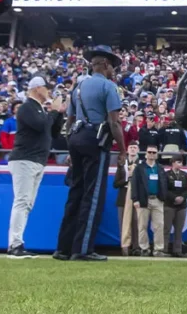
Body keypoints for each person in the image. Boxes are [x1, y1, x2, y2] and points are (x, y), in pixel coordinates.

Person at [55, 45, 126, 262]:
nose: (114, 69)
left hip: (76, 138)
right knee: (93, 195)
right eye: (113, 65)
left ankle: (63, 248)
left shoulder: (78, 87)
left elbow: (68, 121)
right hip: (95, 140)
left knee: (76, 191)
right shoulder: (108, 87)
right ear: (105, 64)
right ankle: (83, 249)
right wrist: (122, 150)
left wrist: (70, 148)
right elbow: (114, 123)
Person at [6, 76, 64, 258]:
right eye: (45, 87)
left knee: (27, 203)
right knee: (22, 201)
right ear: (37, 88)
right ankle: (15, 244)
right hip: (25, 159)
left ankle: (18, 242)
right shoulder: (26, 107)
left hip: (37, 160)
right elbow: (40, 127)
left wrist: (59, 113)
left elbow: (53, 132)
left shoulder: (40, 109)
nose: (48, 91)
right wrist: (53, 112)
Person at [132, 145, 168, 257]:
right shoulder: (139, 168)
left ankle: (158, 249)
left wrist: (163, 197)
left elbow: (164, 183)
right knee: (142, 225)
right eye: (150, 152)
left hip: (157, 199)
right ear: (146, 153)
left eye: (154, 152)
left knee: (159, 225)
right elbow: (134, 184)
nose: (152, 154)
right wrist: (135, 199)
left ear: (157, 154)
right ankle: (144, 248)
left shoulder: (160, 168)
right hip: (144, 199)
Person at [113, 142, 141, 256]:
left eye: (135, 147)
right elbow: (115, 184)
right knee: (123, 223)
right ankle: (125, 247)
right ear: (127, 150)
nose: (133, 149)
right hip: (123, 197)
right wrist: (126, 179)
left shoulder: (141, 165)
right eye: (131, 147)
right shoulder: (122, 165)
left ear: (138, 150)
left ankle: (136, 247)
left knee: (136, 222)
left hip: (136, 197)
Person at [164, 155, 187, 257]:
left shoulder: (184, 175)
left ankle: (178, 250)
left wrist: (182, 198)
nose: (181, 164)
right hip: (169, 205)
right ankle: (164, 249)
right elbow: (165, 189)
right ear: (173, 162)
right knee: (166, 228)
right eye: (179, 162)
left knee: (179, 230)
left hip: (182, 206)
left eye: (181, 162)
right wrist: (174, 198)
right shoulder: (167, 174)